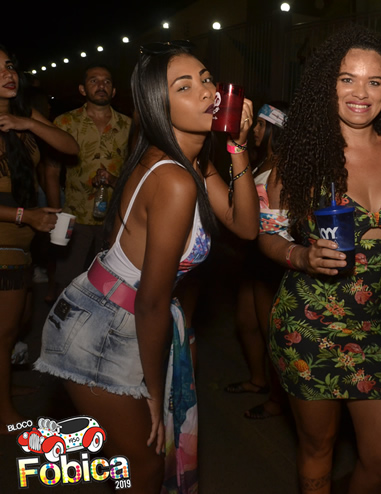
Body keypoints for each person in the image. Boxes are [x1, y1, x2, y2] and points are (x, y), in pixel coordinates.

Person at [35, 41, 259, 493]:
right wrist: (154, 394)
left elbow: (246, 226)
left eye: (207, 79)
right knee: (145, 466)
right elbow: (153, 301)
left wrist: (237, 146)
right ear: (159, 104)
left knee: (141, 465)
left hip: (119, 311)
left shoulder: (191, 163)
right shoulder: (174, 179)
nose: (206, 91)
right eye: (184, 86)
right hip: (106, 324)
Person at [258, 26, 381, 494]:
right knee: (319, 447)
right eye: (347, 79)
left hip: (379, 327)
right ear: (327, 85)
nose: (361, 93)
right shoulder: (300, 155)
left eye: (374, 81)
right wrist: (300, 255)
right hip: (310, 325)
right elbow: (267, 236)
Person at [0, 44, 79, 427]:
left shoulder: (22, 113)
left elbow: (70, 146)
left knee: (18, 322)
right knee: (4, 331)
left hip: (21, 239)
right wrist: (24, 215)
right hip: (4, 239)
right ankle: (2, 413)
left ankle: (4, 386)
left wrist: (28, 124)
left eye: (9, 65)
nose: (7, 73)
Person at [225, 101, 290, 421]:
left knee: (271, 334)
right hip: (252, 255)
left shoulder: (285, 168)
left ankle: (279, 400)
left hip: (271, 260)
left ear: (277, 130)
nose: (255, 130)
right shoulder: (264, 159)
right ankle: (257, 379)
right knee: (246, 323)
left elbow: (281, 224)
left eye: (262, 125)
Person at [52, 64, 132, 295]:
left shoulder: (128, 126)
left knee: (109, 284)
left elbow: (135, 172)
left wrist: (114, 180)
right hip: (74, 215)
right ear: (82, 89)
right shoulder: (65, 123)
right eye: (94, 81)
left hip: (114, 219)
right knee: (66, 280)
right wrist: (56, 213)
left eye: (107, 81)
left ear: (114, 91)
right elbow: (52, 170)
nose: (101, 86)